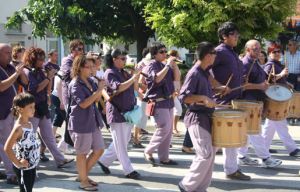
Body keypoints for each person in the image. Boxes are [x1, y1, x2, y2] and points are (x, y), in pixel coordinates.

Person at [211, 21, 250, 180]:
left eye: (237, 34)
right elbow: (204, 70)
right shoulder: (218, 51)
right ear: (224, 36)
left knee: (231, 139)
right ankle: (200, 174)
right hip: (221, 102)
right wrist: (219, 86)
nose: (237, 37)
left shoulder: (232, 52)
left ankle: (231, 170)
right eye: (234, 34)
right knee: (215, 142)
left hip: (233, 101)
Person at [23, 47, 74, 168]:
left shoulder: (40, 70)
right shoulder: (28, 71)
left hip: (43, 107)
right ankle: (26, 163)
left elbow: (47, 86)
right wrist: (48, 78)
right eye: (39, 59)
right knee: (30, 137)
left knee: (49, 137)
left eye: (42, 58)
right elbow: (35, 89)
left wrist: (49, 79)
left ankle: (60, 160)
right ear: (32, 59)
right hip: (32, 109)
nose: (42, 61)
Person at [178, 42, 217, 192]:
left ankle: (200, 188)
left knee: (210, 155)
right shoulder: (194, 73)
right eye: (214, 53)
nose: (215, 56)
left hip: (206, 118)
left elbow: (205, 93)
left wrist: (218, 90)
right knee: (205, 154)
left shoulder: (205, 72)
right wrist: (203, 98)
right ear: (208, 56)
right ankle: (186, 185)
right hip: (197, 118)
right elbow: (184, 97)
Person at [238, 40, 282, 168]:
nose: (258, 51)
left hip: (255, 101)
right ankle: (265, 158)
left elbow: (261, 79)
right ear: (247, 50)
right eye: (255, 49)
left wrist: (265, 84)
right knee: (255, 131)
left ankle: (242, 155)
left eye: (259, 48)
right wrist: (260, 86)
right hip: (248, 102)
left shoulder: (254, 62)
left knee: (248, 131)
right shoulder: (245, 64)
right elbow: (242, 85)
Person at [98, 49, 141, 179]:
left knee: (122, 141)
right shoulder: (109, 73)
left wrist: (135, 77)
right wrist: (132, 78)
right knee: (121, 144)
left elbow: (134, 88)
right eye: (122, 59)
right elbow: (118, 87)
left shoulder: (124, 73)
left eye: (125, 59)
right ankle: (128, 170)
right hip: (117, 113)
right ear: (114, 59)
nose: (125, 61)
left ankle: (104, 161)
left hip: (128, 112)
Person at [68, 55, 105, 191]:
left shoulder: (91, 80)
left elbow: (95, 98)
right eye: (87, 67)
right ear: (79, 67)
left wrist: (100, 93)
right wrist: (99, 90)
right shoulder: (75, 84)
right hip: (81, 122)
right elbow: (83, 104)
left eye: (92, 66)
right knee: (82, 153)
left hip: (92, 120)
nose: (91, 69)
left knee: (99, 149)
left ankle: (83, 175)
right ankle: (83, 181)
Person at [143, 43, 180, 166]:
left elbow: (177, 78)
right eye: (162, 52)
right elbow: (157, 79)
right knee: (164, 127)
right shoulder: (151, 65)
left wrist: (174, 66)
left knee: (168, 131)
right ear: (154, 54)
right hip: (158, 101)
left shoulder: (165, 65)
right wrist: (168, 65)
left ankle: (164, 157)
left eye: (165, 51)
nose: (165, 54)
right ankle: (148, 150)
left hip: (168, 101)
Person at [262, 43, 300, 157]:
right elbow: (267, 80)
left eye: (279, 51)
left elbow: (277, 80)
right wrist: (281, 74)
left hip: (277, 97)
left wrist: (286, 82)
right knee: (280, 124)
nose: (278, 53)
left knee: (270, 126)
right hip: (274, 99)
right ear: (269, 54)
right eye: (274, 52)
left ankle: (264, 147)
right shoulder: (270, 65)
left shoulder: (277, 64)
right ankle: (292, 148)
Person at [0, 43, 27, 185]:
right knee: (6, 143)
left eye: (11, 52)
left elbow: (25, 82)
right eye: (6, 53)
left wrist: (21, 72)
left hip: (11, 111)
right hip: (2, 112)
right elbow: (2, 86)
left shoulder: (10, 67)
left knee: (8, 142)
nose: (10, 56)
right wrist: (16, 73)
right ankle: (11, 174)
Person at [4, 93, 40, 192]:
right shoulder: (18, 128)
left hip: (31, 166)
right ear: (20, 109)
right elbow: (7, 148)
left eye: (34, 106)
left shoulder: (29, 123)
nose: (34, 109)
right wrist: (18, 163)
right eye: (30, 107)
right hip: (24, 168)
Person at [58, 39, 84, 154]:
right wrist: (80, 65)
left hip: (78, 94)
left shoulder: (81, 60)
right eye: (79, 49)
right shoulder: (67, 60)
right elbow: (69, 75)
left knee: (73, 121)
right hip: (69, 95)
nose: (82, 51)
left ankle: (62, 145)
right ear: (72, 50)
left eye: (82, 49)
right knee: (71, 121)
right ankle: (66, 145)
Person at [132, 47, 151, 148]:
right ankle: (136, 139)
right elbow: (138, 82)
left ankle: (137, 138)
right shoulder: (142, 65)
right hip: (142, 94)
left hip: (147, 94)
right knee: (139, 117)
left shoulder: (148, 64)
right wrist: (146, 87)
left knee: (142, 117)